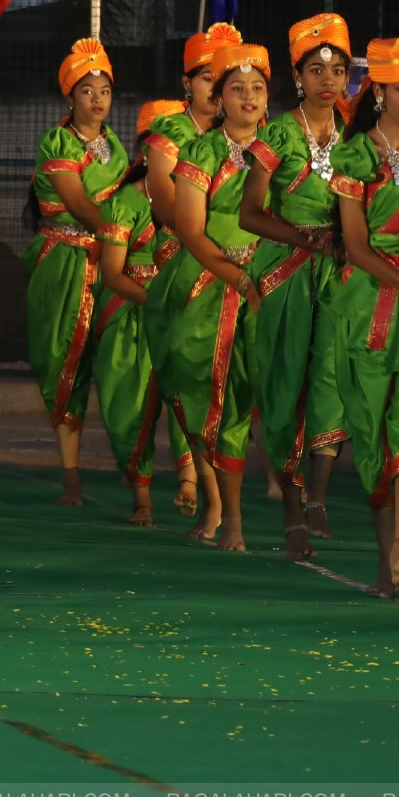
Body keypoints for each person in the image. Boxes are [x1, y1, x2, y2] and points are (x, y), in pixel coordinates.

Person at [330, 32, 399, 598]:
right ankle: (386, 559)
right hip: (368, 300)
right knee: (372, 434)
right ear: (378, 90)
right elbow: (354, 246)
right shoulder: (355, 156)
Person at [240, 15, 351, 559]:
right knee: (285, 385)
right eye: (316, 69)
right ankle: (291, 507)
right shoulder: (278, 135)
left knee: (331, 379)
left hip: (336, 275)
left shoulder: (355, 140)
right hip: (287, 271)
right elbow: (250, 215)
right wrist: (304, 237)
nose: (327, 79)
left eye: (337, 69)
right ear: (298, 76)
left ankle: (318, 500)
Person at [157, 42, 271, 550]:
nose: (249, 97)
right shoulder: (201, 152)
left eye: (258, 87)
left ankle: (293, 505)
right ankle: (225, 512)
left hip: (271, 282)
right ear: (219, 97)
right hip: (207, 284)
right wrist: (238, 278)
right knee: (210, 396)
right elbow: (191, 231)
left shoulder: (281, 148)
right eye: (237, 88)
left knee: (263, 395)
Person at [141, 25, 241, 515]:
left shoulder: (251, 135)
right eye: (206, 77)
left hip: (245, 267)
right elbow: (164, 206)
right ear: (188, 84)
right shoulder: (172, 136)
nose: (214, 87)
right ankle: (209, 490)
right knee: (196, 375)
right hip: (186, 265)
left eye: (221, 78)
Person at [26, 38, 128, 506]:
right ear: (70, 98)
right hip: (67, 265)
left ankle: (137, 478)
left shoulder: (116, 147)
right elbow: (78, 204)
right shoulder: (58, 141)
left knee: (119, 365)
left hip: (113, 262)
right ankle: (71, 477)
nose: (97, 98)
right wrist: (120, 232)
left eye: (104, 89)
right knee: (63, 366)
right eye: (87, 90)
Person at [91, 100, 181, 524]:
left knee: (190, 395)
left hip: (182, 310)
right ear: (148, 153)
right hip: (132, 313)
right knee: (130, 405)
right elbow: (111, 273)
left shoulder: (193, 198)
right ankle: (142, 498)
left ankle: (191, 484)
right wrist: (156, 301)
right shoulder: (124, 202)